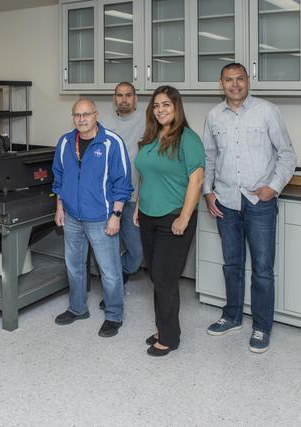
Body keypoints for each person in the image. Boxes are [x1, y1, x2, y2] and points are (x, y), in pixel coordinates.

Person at [203, 63, 296, 353]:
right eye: (229, 80)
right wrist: (208, 192)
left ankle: (261, 326)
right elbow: (209, 158)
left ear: (248, 80)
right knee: (231, 265)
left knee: (262, 269)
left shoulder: (267, 111)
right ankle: (232, 316)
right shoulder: (214, 115)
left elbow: (287, 155)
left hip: (259, 202)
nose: (235, 84)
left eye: (240, 79)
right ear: (221, 83)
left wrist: (274, 187)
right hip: (226, 201)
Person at [52, 98, 132, 338]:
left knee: (110, 270)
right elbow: (59, 178)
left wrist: (116, 215)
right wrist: (59, 208)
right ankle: (77, 308)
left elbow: (122, 183)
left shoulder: (111, 142)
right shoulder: (66, 142)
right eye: (77, 115)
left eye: (86, 114)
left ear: (96, 115)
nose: (82, 119)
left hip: (101, 218)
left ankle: (114, 315)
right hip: (72, 216)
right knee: (74, 266)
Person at [134, 85, 204, 357]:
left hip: (173, 217)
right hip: (148, 215)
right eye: (156, 105)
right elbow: (146, 176)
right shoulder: (152, 136)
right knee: (155, 275)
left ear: (176, 108)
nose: (160, 110)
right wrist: (138, 206)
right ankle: (162, 327)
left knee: (165, 278)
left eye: (166, 105)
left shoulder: (188, 139)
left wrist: (184, 217)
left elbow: (196, 180)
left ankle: (170, 337)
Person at [99, 82, 145, 302]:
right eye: (119, 95)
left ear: (135, 98)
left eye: (128, 95)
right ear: (114, 98)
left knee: (137, 252)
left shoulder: (148, 121)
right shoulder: (103, 123)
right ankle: (112, 291)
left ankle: (121, 274)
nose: (124, 99)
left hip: (133, 198)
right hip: (107, 198)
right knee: (107, 250)